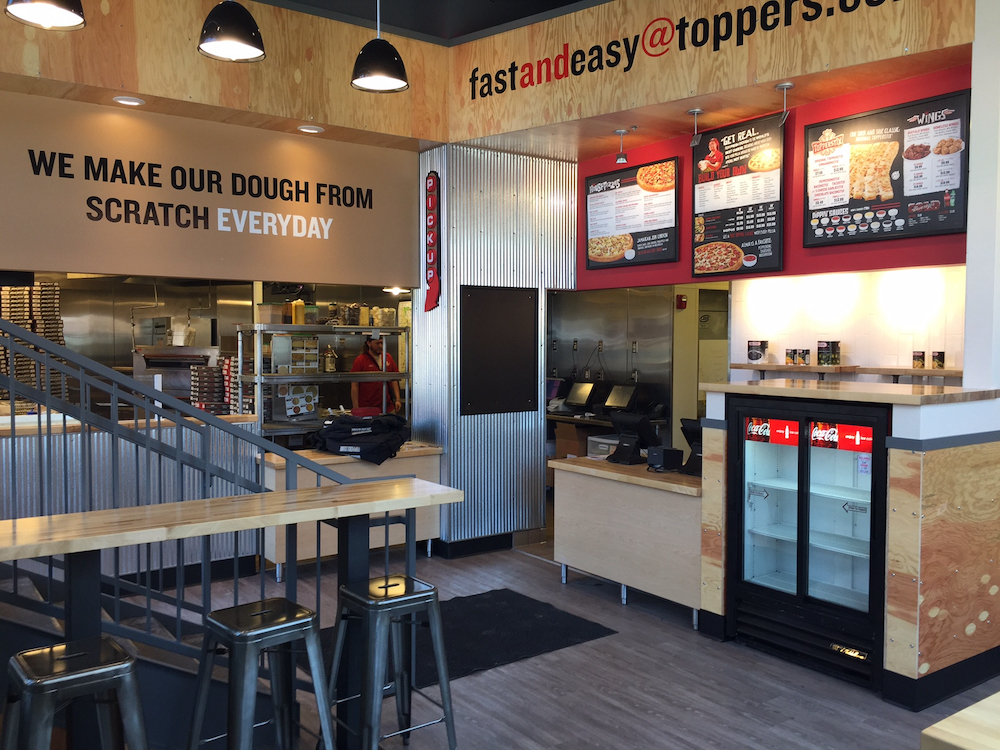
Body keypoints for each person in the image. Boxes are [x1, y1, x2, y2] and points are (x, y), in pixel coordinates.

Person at [350, 335, 402, 414]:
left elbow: (394, 379)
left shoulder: (388, 357)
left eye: (381, 343)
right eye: (377, 344)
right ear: (369, 343)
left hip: (387, 406)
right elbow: (355, 385)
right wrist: (356, 407)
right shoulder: (360, 360)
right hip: (367, 407)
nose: (380, 346)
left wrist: (398, 399)